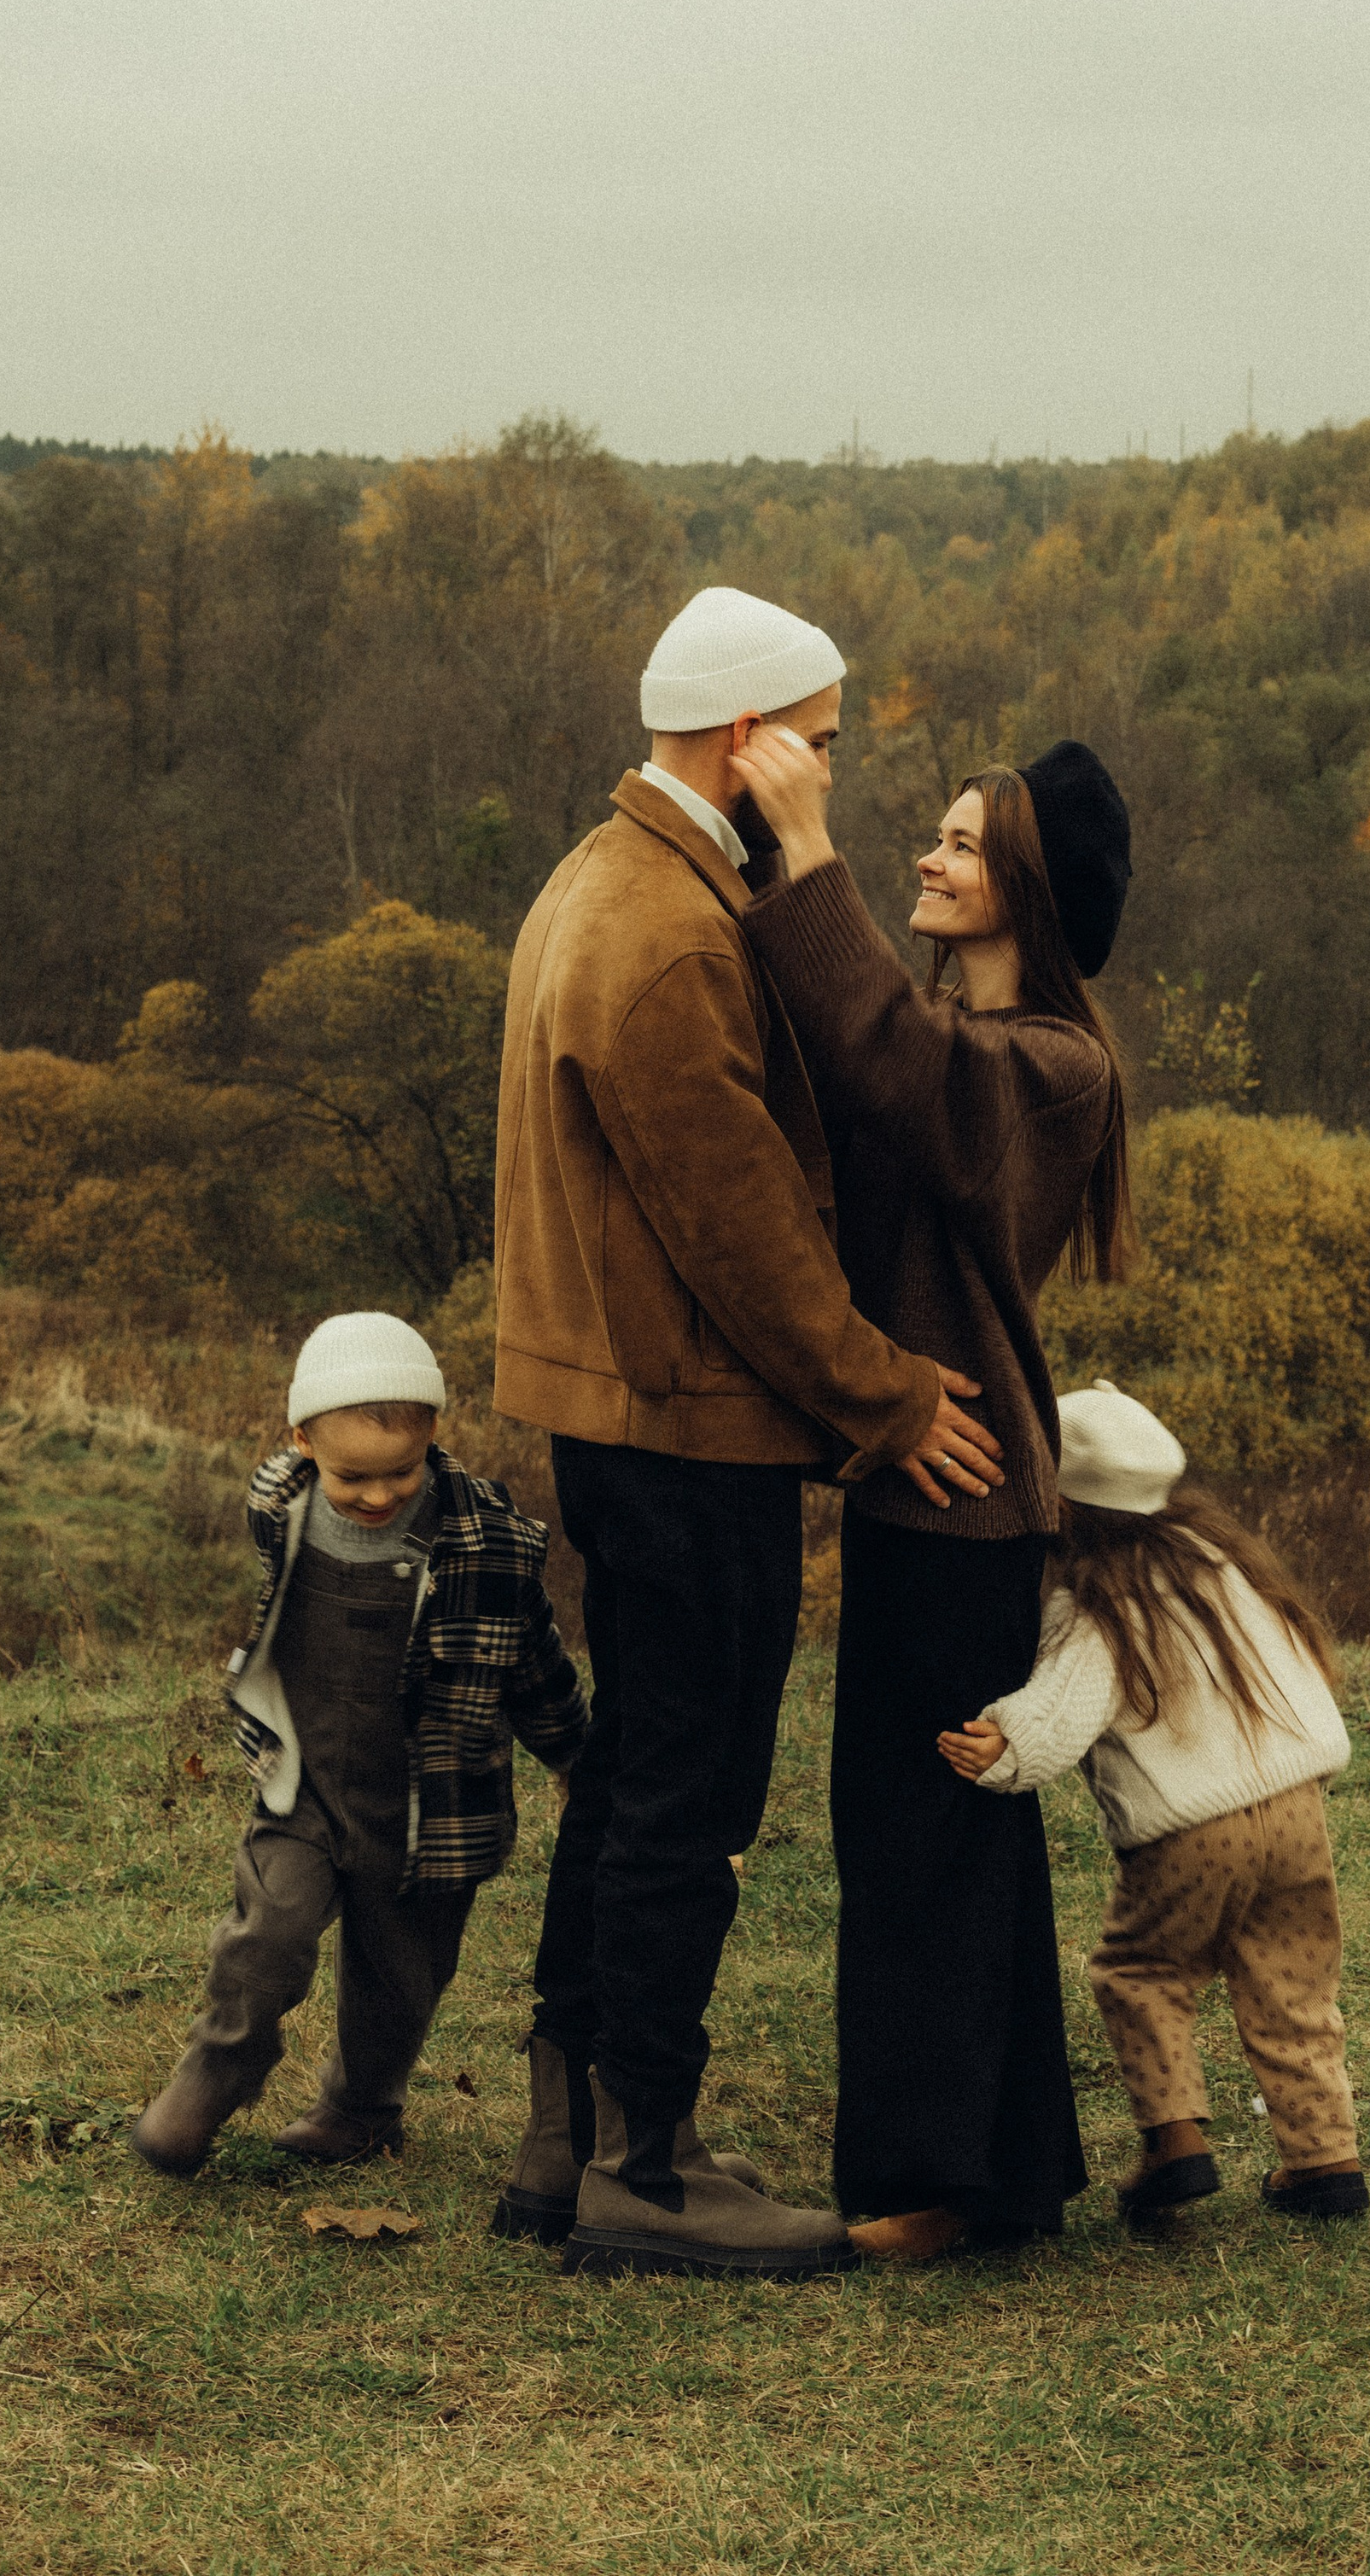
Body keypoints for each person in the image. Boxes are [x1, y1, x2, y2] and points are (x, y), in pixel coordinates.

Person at [491, 586, 1006, 2279]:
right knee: (689, 1792)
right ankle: (650, 2161)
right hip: (689, 1427)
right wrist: (883, 1393)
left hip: (628, 1412)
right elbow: (739, 1229)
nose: (835, 777)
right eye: (824, 746)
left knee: (639, 1763)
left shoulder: (606, 878)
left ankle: (566, 2144)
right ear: (749, 739)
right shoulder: (661, 933)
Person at [731, 722, 1136, 2261]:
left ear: (1024, 888)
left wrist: (808, 847)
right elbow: (869, 1052)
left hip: (965, 1495)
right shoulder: (982, 1051)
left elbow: (893, 1060)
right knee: (929, 1826)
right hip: (928, 1483)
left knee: (926, 1832)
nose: (930, 855)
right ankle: (1002, 2173)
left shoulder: (1049, 1070)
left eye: (965, 844)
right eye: (938, 835)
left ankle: (940, 2186)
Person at [130, 1310, 586, 2179]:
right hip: (304, 1786)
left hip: (433, 1808)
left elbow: (531, 1662)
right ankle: (216, 2070)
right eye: (352, 1477)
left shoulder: (486, 1544)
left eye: (400, 1474)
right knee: (263, 1939)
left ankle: (360, 2110)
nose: (377, 1497)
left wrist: (569, 1755)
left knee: (398, 1980)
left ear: (434, 1436)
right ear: (300, 1442)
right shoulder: (281, 1507)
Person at [942, 1379, 1368, 2227]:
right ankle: (1324, 2164)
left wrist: (1006, 1745)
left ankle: (1176, 2147)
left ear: (1060, 1505)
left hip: (1189, 1829)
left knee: (1143, 1974)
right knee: (1291, 1984)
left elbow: (1067, 1706)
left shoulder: (1098, 1605)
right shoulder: (1223, 1568)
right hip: (1293, 1810)